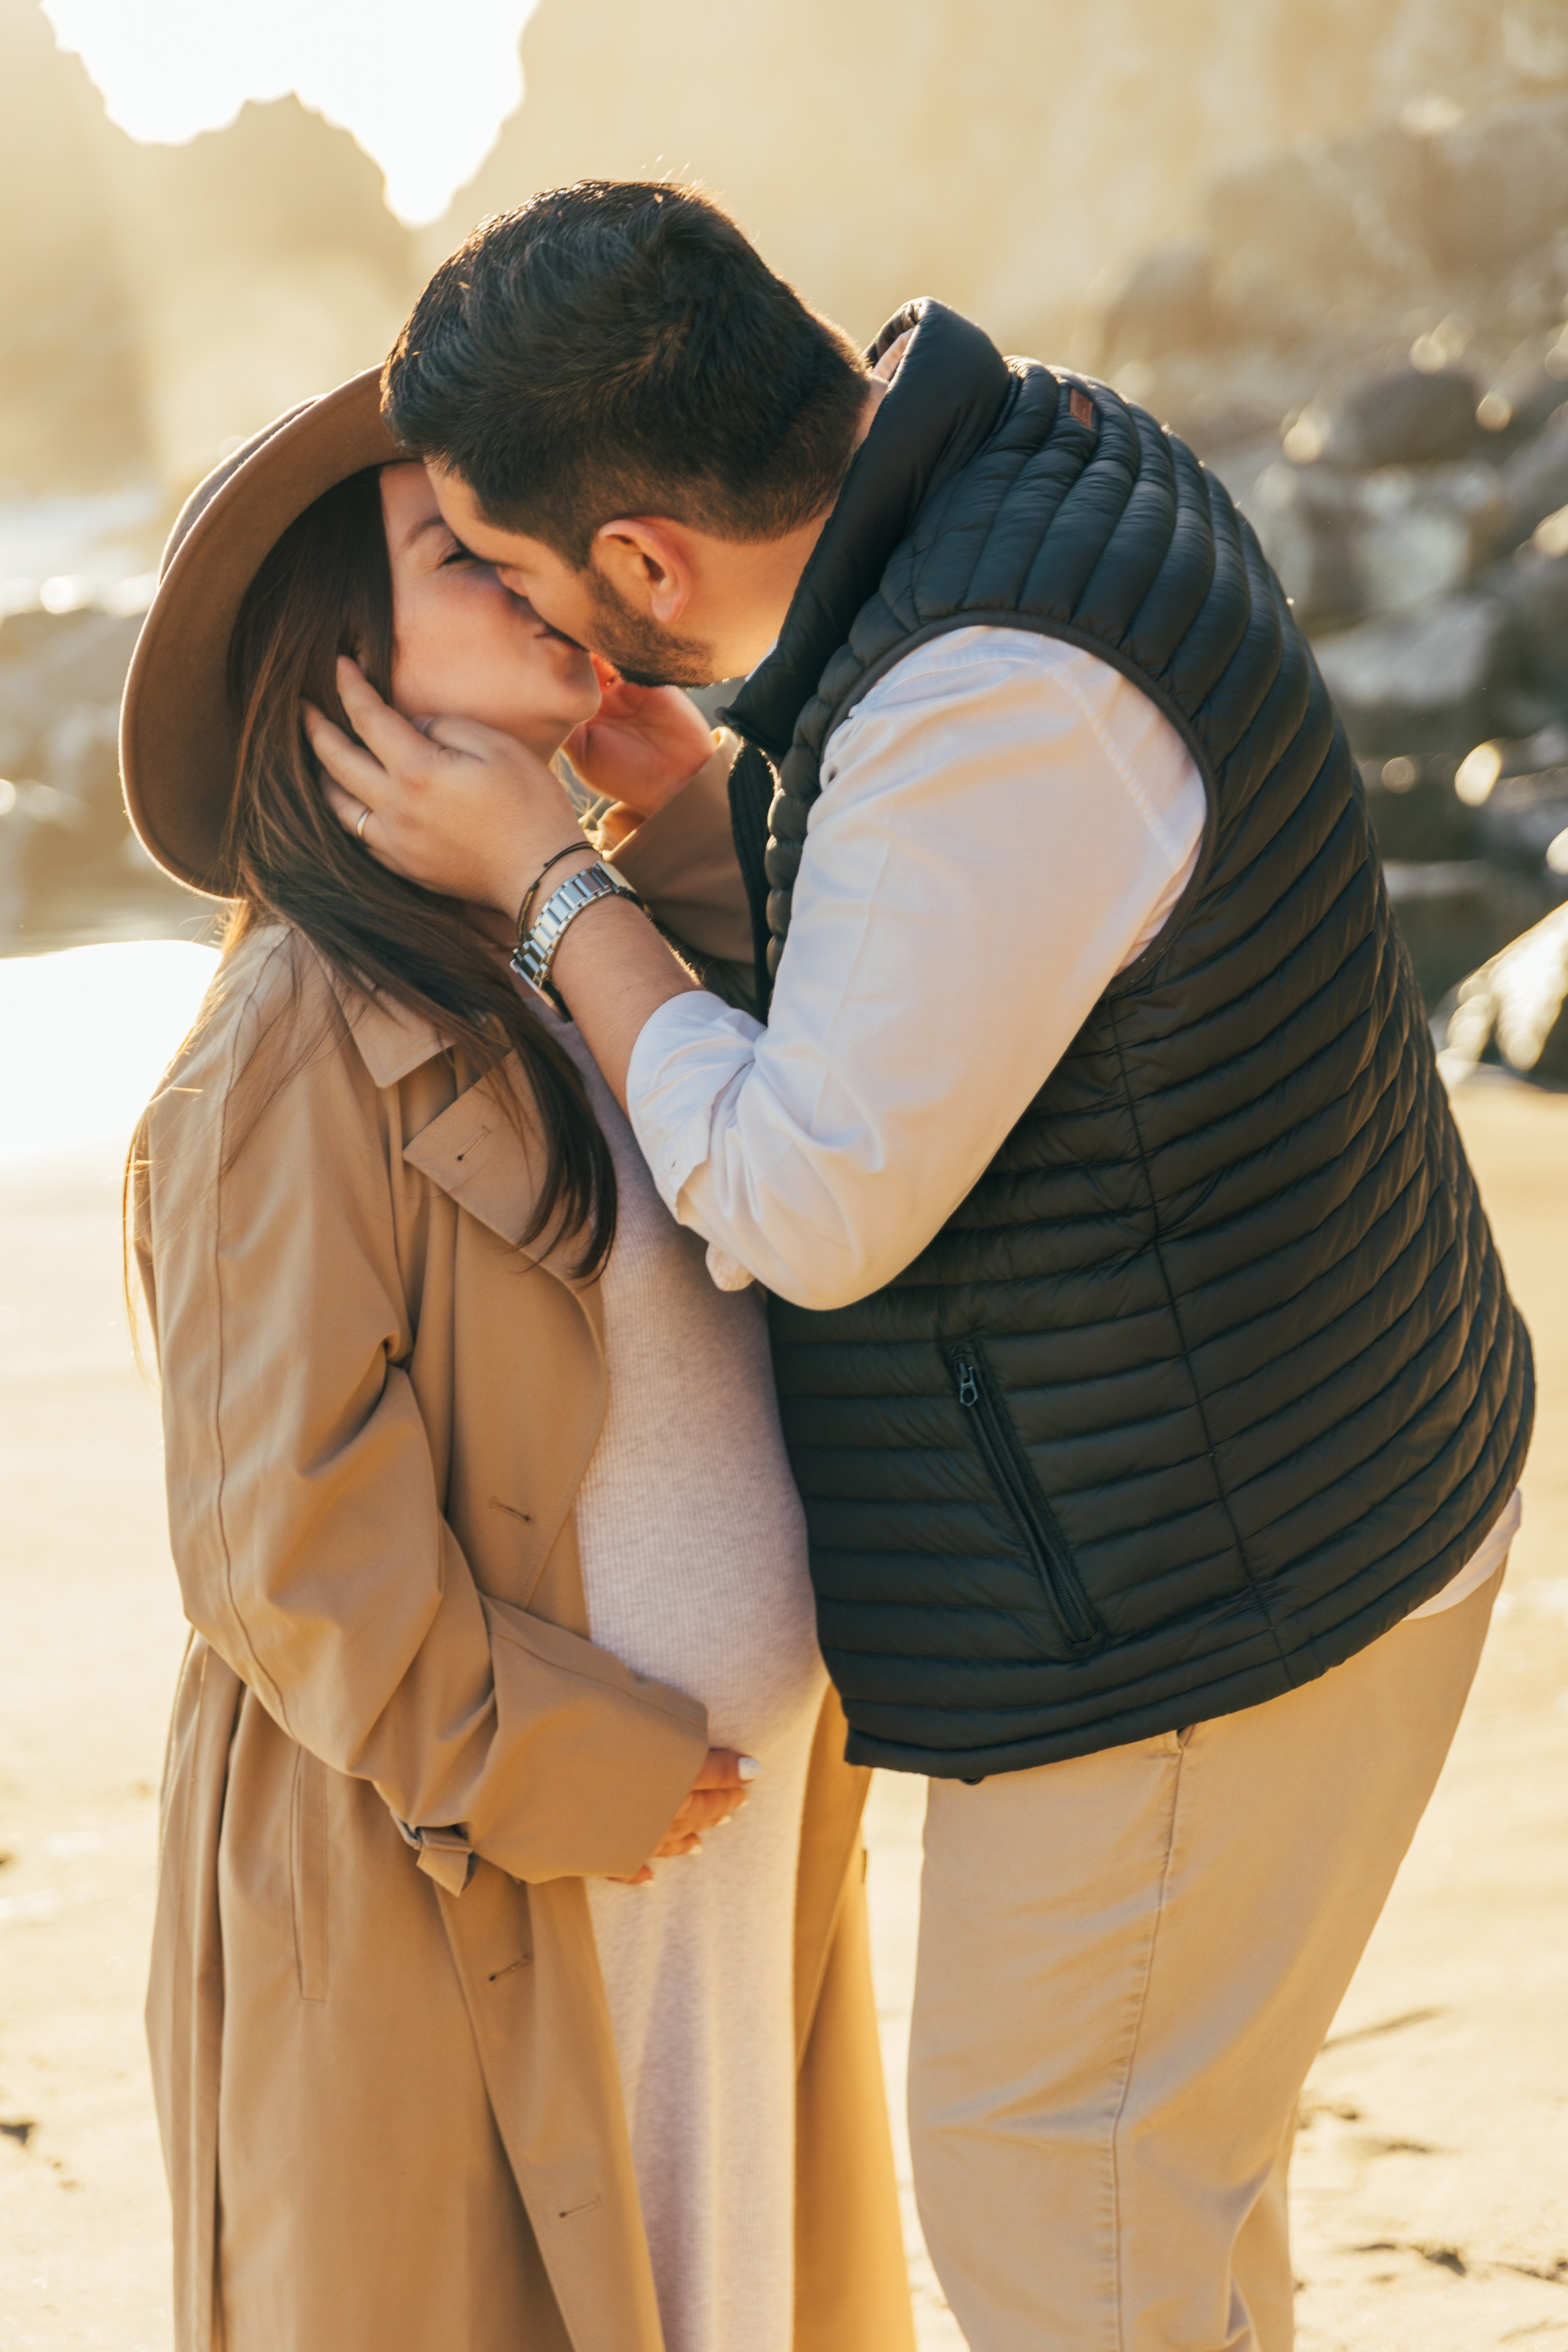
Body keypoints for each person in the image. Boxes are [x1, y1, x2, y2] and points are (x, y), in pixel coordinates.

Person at [310, 184, 1534, 2351]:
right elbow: (956, 970)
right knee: (1162, 2202)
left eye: (510, 567)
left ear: (648, 563)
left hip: (1208, 1609)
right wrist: (696, 818)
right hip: (1306, 1489)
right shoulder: (1016, 470)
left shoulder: (987, 695)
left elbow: (805, 1190)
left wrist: (546, 893)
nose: (531, 625)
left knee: (1057, 2197)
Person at [119, 371, 914, 2352]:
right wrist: (574, 1769)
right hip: (488, 1873)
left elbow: (818, 1118)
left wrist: (688, 815)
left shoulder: (584, 945)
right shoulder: (298, 1031)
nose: (535, 575)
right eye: (458, 558)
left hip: (698, 1870)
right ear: (342, 663)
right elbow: (278, 1539)